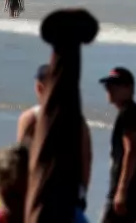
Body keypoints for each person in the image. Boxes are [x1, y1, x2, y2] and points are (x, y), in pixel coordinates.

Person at [17, 65, 92, 210]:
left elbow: (21, 158)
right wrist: (82, 191)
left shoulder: (31, 118)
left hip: (39, 192)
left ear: (39, 88)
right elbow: (86, 157)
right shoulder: (78, 120)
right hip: (70, 191)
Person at [100, 67, 136, 223]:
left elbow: (131, 151)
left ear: (129, 88)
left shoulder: (130, 114)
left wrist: (121, 191)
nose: (110, 89)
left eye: (115, 85)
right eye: (108, 85)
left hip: (131, 195)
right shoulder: (133, 113)